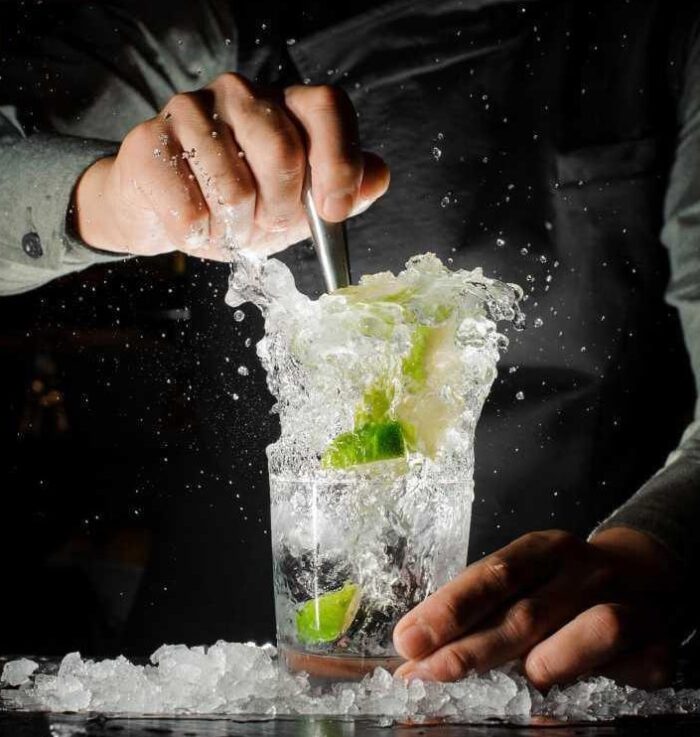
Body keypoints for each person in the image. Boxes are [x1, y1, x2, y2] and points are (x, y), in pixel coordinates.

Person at [1, 0, 699, 689]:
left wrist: (650, 549)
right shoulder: (210, 14)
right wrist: (109, 200)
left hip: (556, 663)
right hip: (225, 670)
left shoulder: (671, 29)